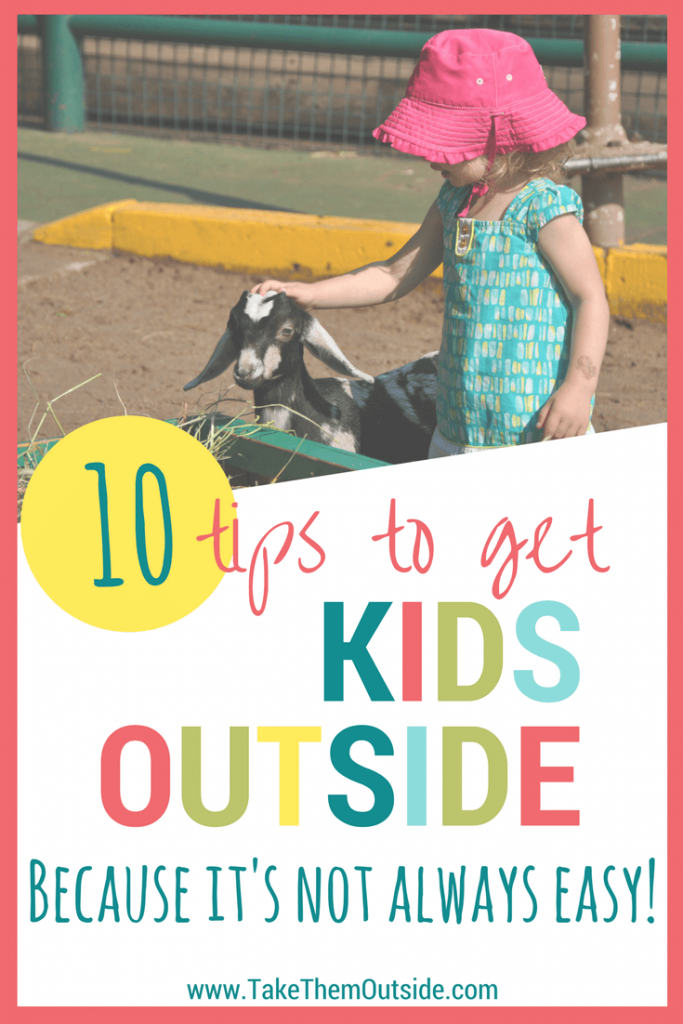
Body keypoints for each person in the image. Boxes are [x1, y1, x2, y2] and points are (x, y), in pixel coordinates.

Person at [251, 30, 610, 455]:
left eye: (445, 140)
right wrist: (310, 293)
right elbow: (392, 274)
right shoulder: (453, 202)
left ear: (498, 134)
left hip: (539, 428)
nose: (430, 155)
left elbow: (590, 298)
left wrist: (578, 388)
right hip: (459, 424)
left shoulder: (543, 208)